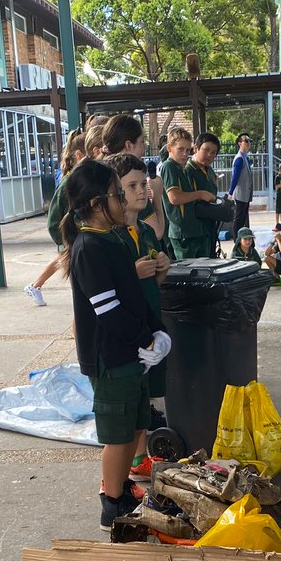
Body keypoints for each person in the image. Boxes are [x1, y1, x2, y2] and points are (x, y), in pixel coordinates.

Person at [63, 158, 171, 530]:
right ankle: (112, 505)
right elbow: (108, 310)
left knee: (134, 424)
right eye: (116, 194)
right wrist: (145, 339)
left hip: (130, 352)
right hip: (111, 357)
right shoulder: (89, 247)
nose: (123, 201)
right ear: (96, 204)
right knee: (117, 435)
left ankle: (122, 487)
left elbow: (134, 298)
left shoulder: (113, 239)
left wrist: (156, 331)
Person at [107, 152, 171, 484]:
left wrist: (161, 268)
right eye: (132, 185)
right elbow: (105, 290)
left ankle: (140, 456)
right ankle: (123, 471)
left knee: (145, 395)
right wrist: (133, 273)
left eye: (143, 183)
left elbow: (154, 286)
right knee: (128, 404)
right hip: (125, 333)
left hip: (148, 324)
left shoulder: (144, 233)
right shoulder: (110, 239)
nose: (142, 190)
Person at [24, 131, 85, 305]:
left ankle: (35, 285)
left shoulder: (75, 178)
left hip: (73, 240)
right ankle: (35, 285)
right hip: (72, 239)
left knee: (61, 260)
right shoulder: (69, 182)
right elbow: (54, 219)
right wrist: (65, 239)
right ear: (79, 155)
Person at [102, 114, 165, 243]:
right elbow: (156, 232)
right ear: (129, 145)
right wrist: (157, 196)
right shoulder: (127, 178)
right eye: (142, 142)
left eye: (142, 184)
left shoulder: (101, 173)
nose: (144, 147)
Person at [159, 127, 215, 259]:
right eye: (180, 149)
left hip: (193, 230)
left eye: (187, 150)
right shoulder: (169, 166)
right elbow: (174, 197)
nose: (185, 154)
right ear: (169, 148)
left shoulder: (181, 168)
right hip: (182, 233)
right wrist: (200, 194)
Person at [186, 131, 222, 257]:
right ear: (196, 148)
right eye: (206, 150)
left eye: (213, 152)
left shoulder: (210, 171)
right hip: (193, 232)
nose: (209, 155)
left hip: (210, 228)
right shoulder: (187, 170)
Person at [227, 132, 254, 240]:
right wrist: (230, 192)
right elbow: (235, 177)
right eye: (246, 141)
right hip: (241, 194)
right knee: (238, 219)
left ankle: (243, 239)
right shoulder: (239, 158)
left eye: (250, 141)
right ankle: (236, 241)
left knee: (243, 218)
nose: (248, 143)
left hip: (246, 194)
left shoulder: (245, 157)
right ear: (239, 143)